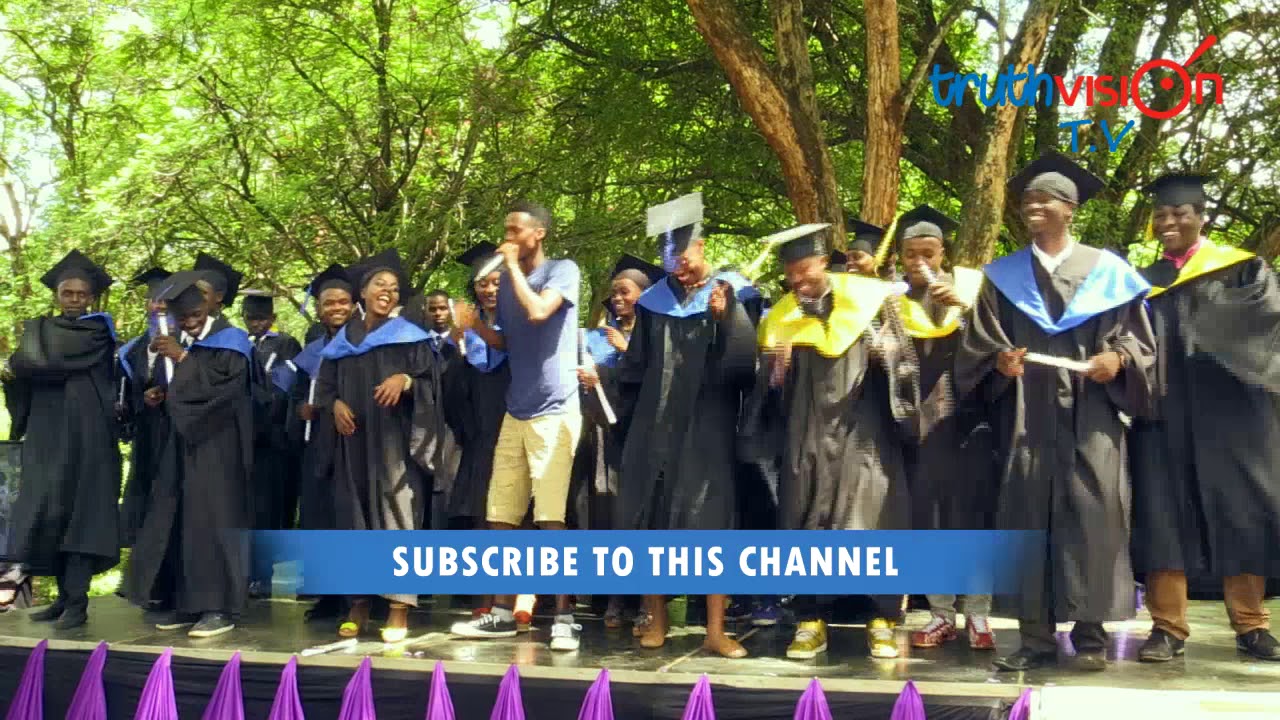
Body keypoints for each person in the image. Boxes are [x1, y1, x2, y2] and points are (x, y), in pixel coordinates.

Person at [955, 151, 1157, 672]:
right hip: (1027, 415)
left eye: (1044, 200)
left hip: (1092, 415)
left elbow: (1141, 346)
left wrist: (1118, 360)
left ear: (1070, 209)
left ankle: (1089, 635)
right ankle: (1036, 639)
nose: (1033, 207)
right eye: (1027, 201)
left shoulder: (1109, 273)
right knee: (1025, 517)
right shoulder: (1002, 279)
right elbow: (977, 349)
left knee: (1094, 515)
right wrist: (999, 362)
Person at [745, 224, 918, 660]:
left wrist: (886, 350)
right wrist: (775, 372)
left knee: (874, 524)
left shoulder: (871, 302)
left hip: (866, 434)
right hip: (807, 438)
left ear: (823, 262)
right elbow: (766, 394)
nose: (798, 281)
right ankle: (810, 621)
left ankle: (881, 620)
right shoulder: (780, 317)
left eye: (804, 270)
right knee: (808, 523)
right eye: (791, 275)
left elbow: (906, 366)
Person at [1129, 173, 1280, 662]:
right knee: (1162, 513)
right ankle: (1167, 628)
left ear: (1201, 218)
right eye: (1161, 215)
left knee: (1241, 512)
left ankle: (1252, 625)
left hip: (1233, 413)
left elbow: (1266, 327)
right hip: (1163, 411)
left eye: (1179, 213)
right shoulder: (1144, 282)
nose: (1169, 221)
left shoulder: (1242, 270)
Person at [609, 193, 759, 659]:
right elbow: (635, 369)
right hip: (656, 431)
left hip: (707, 426)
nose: (680, 269)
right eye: (671, 260)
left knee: (713, 524)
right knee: (652, 521)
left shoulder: (732, 292)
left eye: (686, 257)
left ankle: (715, 630)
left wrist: (725, 318)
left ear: (703, 246)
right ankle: (656, 621)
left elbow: (743, 366)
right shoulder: (653, 305)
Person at [449, 201, 584, 651]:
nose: (507, 236)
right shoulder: (507, 283)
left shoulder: (564, 270)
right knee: (500, 516)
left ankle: (564, 616)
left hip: (555, 408)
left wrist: (510, 267)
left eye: (515, 230)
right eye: (504, 229)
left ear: (539, 233)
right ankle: (502, 612)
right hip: (517, 408)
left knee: (550, 518)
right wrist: (475, 328)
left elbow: (540, 313)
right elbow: (507, 340)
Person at [315, 249, 446, 643]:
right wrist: (334, 403)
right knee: (355, 520)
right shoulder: (344, 339)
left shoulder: (411, 337)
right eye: (379, 286)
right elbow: (324, 386)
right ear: (363, 292)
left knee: (396, 516)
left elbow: (435, 383)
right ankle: (358, 603)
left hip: (395, 444)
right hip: (353, 444)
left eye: (393, 288)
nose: (386, 292)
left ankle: (398, 607)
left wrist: (406, 380)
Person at [891, 205, 998, 651]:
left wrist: (967, 312)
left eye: (929, 253)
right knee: (930, 522)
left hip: (971, 423)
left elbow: (999, 347)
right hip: (918, 427)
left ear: (943, 255)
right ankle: (940, 614)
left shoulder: (973, 291)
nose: (921, 262)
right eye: (912, 254)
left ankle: (978, 615)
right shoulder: (891, 305)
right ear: (900, 259)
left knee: (973, 519)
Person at [3, 251, 121, 630]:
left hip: (88, 435)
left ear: (90, 297)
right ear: (56, 294)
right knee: (48, 509)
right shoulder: (38, 327)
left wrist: (27, 363)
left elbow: (38, 362)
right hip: (46, 432)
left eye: (80, 294)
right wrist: (20, 370)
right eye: (66, 293)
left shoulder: (97, 330)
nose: (73, 299)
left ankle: (78, 603)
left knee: (82, 512)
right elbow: (21, 368)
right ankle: (61, 599)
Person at [148, 271, 256, 638]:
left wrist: (182, 358)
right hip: (189, 443)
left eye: (196, 315)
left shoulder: (233, 341)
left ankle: (219, 607)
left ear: (209, 307)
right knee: (185, 520)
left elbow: (225, 392)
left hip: (222, 444)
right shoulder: (190, 344)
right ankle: (190, 602)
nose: (190, 323)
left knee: (215, 521)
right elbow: (184, 391)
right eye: (183, 318)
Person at [577, 254, 665, 629]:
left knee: (641, 520)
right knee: (606, 517)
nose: (617, 299)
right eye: (613, 293)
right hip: (602, 439)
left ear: (643, 297)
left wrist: (627, 354)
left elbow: (658, 384)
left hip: (641, 438)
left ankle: (646, 601)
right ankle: (611, 597)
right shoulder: (595, 338)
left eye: (624, 292)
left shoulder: (659, 336)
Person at [289, 264, 355, 623]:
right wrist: (300, 408)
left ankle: (356, 598)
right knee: (319, 517)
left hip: (353, 443)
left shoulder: (364, 342)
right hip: (317, 445)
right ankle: (327, 596)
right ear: (318, 308)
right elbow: (300, 393)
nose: (336, 308)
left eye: (343, 302)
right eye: (329, 303)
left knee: (349, 519)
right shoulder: (312, 350)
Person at [240, 290, 303, 596]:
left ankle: (263, 575)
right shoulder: (238, 344)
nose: (256, 323)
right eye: (251, 318)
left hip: (273, 438)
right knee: (246, 510)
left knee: (268, 509)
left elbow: (284, 388)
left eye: (262, 318)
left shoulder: (286, 344)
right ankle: (245, 571)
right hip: (244, 440)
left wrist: (258, 403)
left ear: (273, 319)